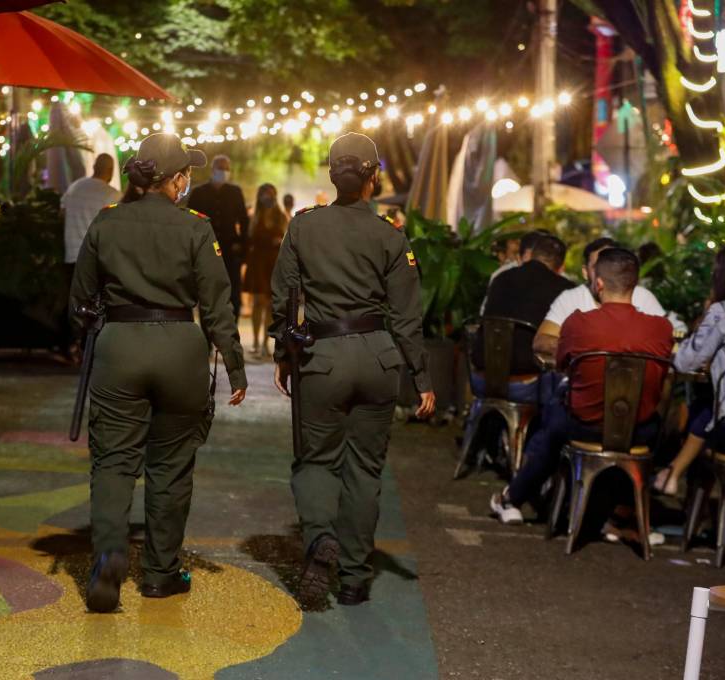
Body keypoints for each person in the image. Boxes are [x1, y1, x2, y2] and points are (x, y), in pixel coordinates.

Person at [70, 133, 247, 613]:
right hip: (179, 349)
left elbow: (80, 299)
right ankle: (160, 575)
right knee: (170, 467)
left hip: (120, 347)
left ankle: (107, 560)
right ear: (176, 180)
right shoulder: (196, 227)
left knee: (112, 463)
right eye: (185, 173)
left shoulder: (107, 223)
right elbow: (217, 305)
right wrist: (234, 365)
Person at [270, 132, 436, 606]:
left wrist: (284, 355)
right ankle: (356, 577)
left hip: (322, 357)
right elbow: (407, 315)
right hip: (379, 357)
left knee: (316, 459)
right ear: (373, 177)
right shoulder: (390, 233)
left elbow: (283, 296)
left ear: (331, 175)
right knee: (365, 468)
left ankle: (321, 536)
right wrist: (422, 378)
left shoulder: (304, 226)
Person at [490, 248, 673, 525]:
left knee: (553, 421)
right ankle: (616, 513)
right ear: (634, 286)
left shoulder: (578, 322)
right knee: (657, 424)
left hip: (583, 424)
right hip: (638, 429)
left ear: (598, 283)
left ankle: (514, 497)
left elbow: (562, 363)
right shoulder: (661, 328)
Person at [653, 246, 725, 495]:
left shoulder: (723, 312)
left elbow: (684, 363)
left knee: (705, 412)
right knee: (708, 409)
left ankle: (679, 483)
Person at [471, 233, 576, 403]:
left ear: (530, 256)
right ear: (561, 268)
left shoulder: (501, 278)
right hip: (527, 383)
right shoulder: (564, 289)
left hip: (480, 378)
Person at [532, 237, 667, 359]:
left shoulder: (644, 297)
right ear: (585, 272)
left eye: (613, 264)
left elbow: (668, 345)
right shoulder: (570, 300)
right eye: (599, 266)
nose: (608, 271)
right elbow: (540, 341)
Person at [61, 154, 122, 356]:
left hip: (72, 254)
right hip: (98, 258)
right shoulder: (113, 196)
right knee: (96, 304)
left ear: (94, 167)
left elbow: (61, 214)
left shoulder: (75, 187)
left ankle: (71, 345)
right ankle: (89, 347)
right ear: (111, 171)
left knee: (74, 301)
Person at [187, 154, 251, 321]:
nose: (223, 172)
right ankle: (208, 338)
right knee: (207, 294)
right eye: (220, 168)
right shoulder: (199, 193)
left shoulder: (235, 192)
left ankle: (231, 333)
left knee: (233, 295)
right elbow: (190, 222)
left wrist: (242, 248)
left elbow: (244, 221)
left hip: (230, 252)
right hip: (206, 251)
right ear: (213, 169)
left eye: (226, 168)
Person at [243, 183, 288, 356]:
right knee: (257, 303)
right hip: (258, 263)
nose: (267, 198)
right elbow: (250, 239)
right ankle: (255, 342)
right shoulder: (255, 216)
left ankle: (265, 343)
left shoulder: (280, 216)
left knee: (269, 305)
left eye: (270, 194)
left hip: (273, 263)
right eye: (264, 194)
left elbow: (284, 239)